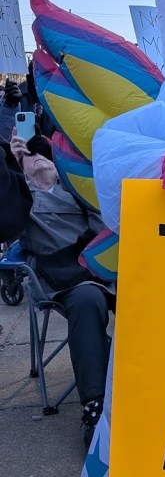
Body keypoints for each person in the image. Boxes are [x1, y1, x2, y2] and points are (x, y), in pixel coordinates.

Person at [4, 129, 113, 447]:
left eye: (44, 152)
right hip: (60, 281)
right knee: (88, 297)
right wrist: (12, 163)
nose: (37, 155)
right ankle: (95, 405)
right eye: (30, 153)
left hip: (103, 271)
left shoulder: (80, 193)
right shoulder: (21, 201)